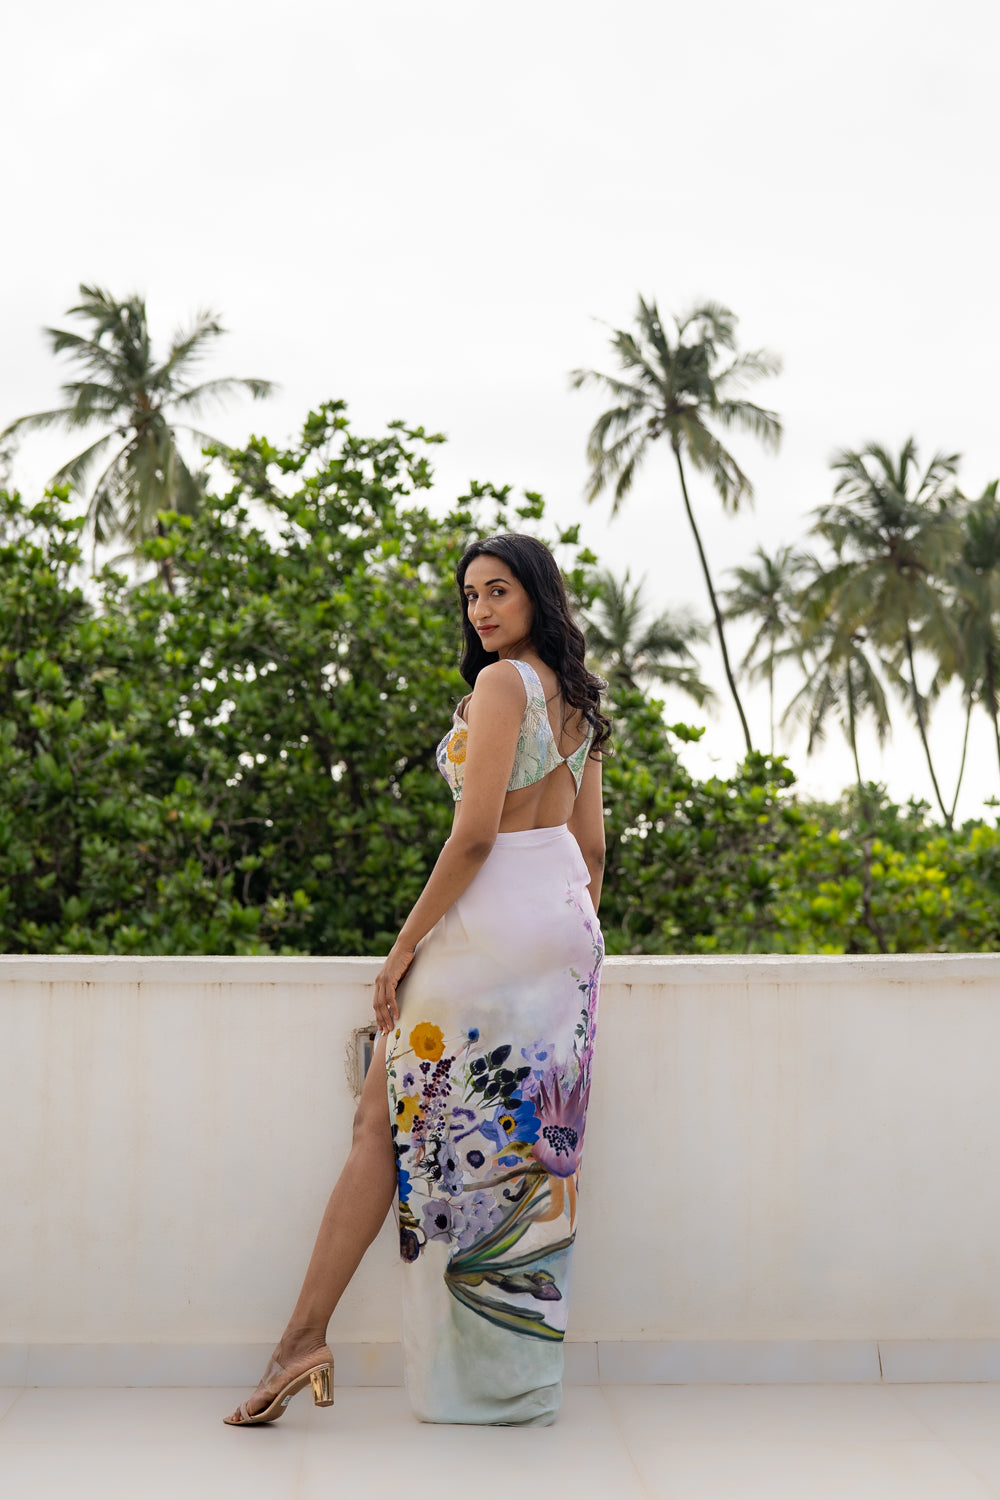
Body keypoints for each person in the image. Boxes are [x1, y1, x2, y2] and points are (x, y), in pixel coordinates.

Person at [225, 532, 609, 1428]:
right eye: (470, 595)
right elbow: (590, 850)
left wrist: (404, 945)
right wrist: (561, 943)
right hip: (562, 934)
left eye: (498, 590)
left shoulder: (503, 685)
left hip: (488, 926)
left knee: (380, 1125)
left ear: (537, 594)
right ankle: (504, 1380)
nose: (480, 609)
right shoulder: (583, 701)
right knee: (523, 1152)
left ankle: (302, 1342)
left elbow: (473, 834)